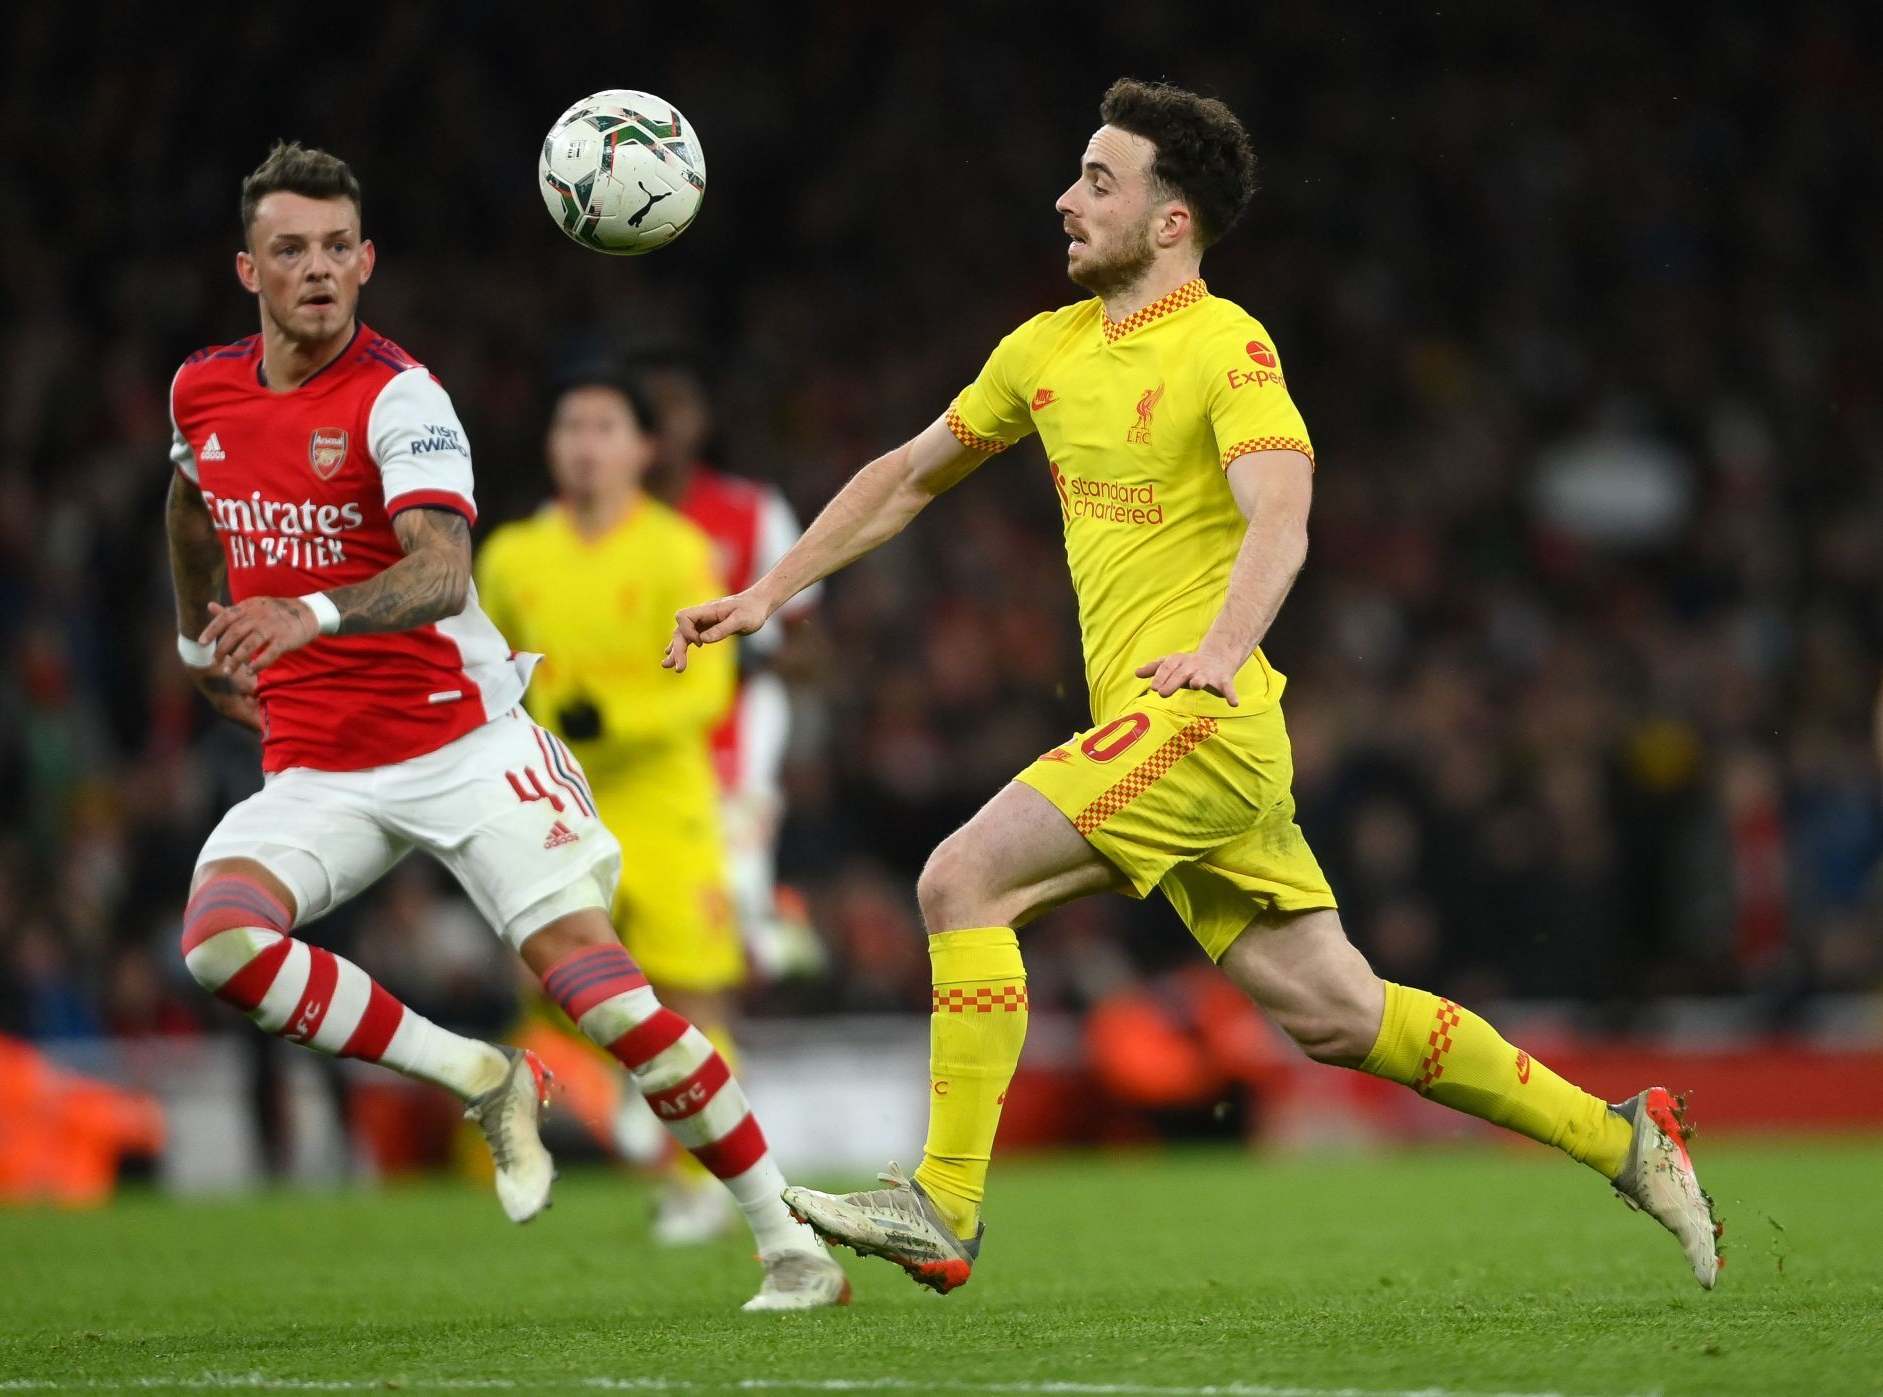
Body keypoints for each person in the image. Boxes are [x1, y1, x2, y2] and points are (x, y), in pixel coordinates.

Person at [667, 80, 1719, 1294]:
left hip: (1202, 718)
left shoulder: (1230, 345)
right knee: (1335, 1011)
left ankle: (943, 1203)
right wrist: (768, 591)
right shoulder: (1044, 350)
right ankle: (1624, 1136)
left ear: (1172, 221)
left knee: (962, 877)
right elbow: (907, 477)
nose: (1066, 199)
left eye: (1099, 182)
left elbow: (1284, 509)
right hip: (1168, 730)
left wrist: (1222, 647)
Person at [166, 141, 846, 1310]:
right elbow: (188, 495)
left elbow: (437, 572)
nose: (318, 270)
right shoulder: (203, 390)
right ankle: (482, 1075)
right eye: (292, 250)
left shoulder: (402, 395)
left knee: (613, 1003)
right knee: (219, 941)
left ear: (367, 260)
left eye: (339, 248)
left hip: (465, 748)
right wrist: (196, 641)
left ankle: (789, 1238)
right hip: (323, 762)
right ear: (248, 269)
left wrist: (307, 611)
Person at [475, 366, 749, 1244]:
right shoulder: (513, 556)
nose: (585, 445)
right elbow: (483, 675)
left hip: (663, 803)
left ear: (644, 448)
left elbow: (710, 689)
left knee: (690, 995)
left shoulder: (677, 549)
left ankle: (707, 1181)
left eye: (604, 427)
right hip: (552, 795)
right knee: (550, 988)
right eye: (570, 426)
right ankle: (642, 1094)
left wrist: (615, 714)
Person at [637, 353, 824, 983]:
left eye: (675, 405)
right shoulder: (587, 527)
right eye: (649, 406)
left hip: (729, 738)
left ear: (700, 420)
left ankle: (770, 951)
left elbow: (810, 643)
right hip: (631, 741)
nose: (663, 421)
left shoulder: (751, 511)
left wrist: (751, 652)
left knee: (723, 911)